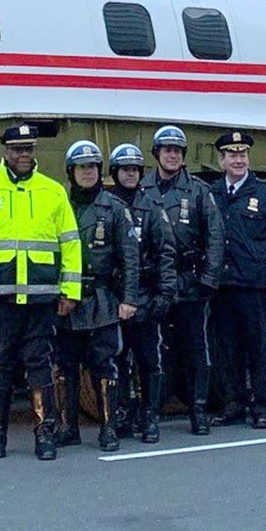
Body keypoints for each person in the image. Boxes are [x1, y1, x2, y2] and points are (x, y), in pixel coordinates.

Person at [0, 122, 82, 460]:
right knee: (1, 362)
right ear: (5, 151)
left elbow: (71, 244)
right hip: (0, 294)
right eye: (18, 149)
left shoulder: (53, 191)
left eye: (29, 149)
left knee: (39, 362)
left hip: (41, 295)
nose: (24, 155)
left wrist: (69, 291)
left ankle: (45, 436)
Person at [54, 141, 142, 452]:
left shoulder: (115, 208)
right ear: (71, 172)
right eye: (82, 167)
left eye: (92, 167)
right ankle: (68, 428)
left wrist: (129, 299)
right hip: (67, 299)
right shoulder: (59, 206)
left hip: (102, 299)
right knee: (65, 367)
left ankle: (108, 428)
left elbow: (131, 258)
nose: (88, 173)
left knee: (105, 365)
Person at [137, 124, 224, 434]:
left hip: (190, 283)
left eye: (177, 150)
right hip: (155, 285)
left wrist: (209, 280)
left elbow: (215, 237)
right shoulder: (142, 188)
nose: (172, 155)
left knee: (195, 347)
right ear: (157, 153)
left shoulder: (199, 191)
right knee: (154, 349)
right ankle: (151, 411)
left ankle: (198, 409)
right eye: (166, 149)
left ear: (184, 156)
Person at [209, 129, 266, 428]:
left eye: (242, 154)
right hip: (223, 285)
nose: (238, 160)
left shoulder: (265, 194)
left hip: (255, 285)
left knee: (259, 347)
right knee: (227, 348)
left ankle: (261, 406)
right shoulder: (213, 193)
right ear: (221, 160)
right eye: (232, 154)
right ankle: (233, 402)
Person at [105, 142, 177, 440]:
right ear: (115, 172)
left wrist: (165, 294)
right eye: (125, 169)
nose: (131, 175)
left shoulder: (152, 207)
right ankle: (121, 414)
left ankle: (149, 416)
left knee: (149, 359)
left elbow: (166, 253)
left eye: (135, 169)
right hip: (115, 295)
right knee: (117, 360)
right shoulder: (106, 206)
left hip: (147, 296)